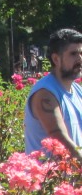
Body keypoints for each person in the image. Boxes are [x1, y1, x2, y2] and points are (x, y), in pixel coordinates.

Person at [24, 28, 82, 160]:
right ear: (56, 59)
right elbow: (60, 139)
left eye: (81, 53)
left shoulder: (78, 91)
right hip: (48, 178)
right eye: (73, 54)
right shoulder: (45, 93)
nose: (80, 58)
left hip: (72, 177)